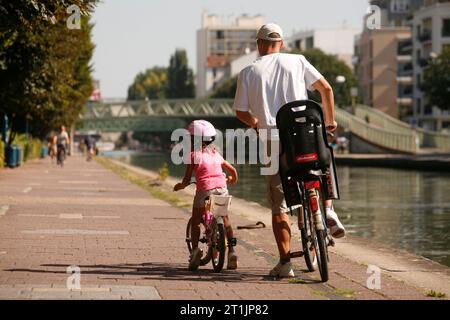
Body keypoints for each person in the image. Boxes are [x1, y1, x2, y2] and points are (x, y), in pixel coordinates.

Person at [234, 23, 346, 278]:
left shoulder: (248, 71)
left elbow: (240, 112)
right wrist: (329, 121)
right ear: (281, 43)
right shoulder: (297, 61)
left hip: (274, 139)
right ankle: (327, 210)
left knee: (280, 205)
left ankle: (285, 263)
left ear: (259, 44)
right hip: (306, 133)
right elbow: (326, 88)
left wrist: (256, 124)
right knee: (323, 165)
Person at [173, 120, 239, 271]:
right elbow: (233, 171)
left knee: (196, 220)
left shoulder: (193, 155)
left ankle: (195, 251)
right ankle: (232, 252)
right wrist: (232, 179)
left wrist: (179, 187)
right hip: (222, 188)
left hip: (205, 190)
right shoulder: (216, 154)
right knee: (225, 219)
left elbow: (187, 179)